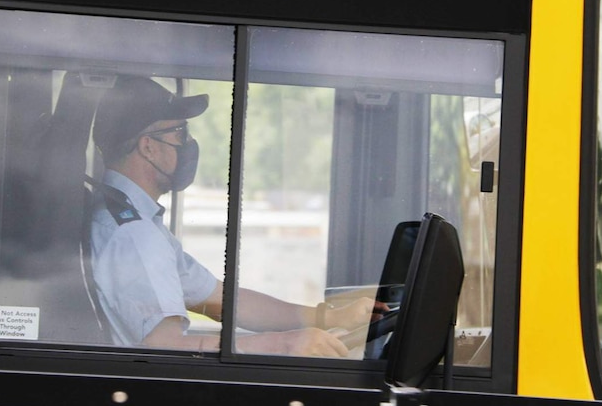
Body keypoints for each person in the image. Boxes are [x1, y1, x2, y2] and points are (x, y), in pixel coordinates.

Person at [90, 76, 384, 357]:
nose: (188, 144)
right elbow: (166, 347)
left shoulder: (133, 221)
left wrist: (328, 317)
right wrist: (283, 346)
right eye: (179, 133)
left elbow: (225, 302)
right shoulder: (134, 236)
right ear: (148, 147)